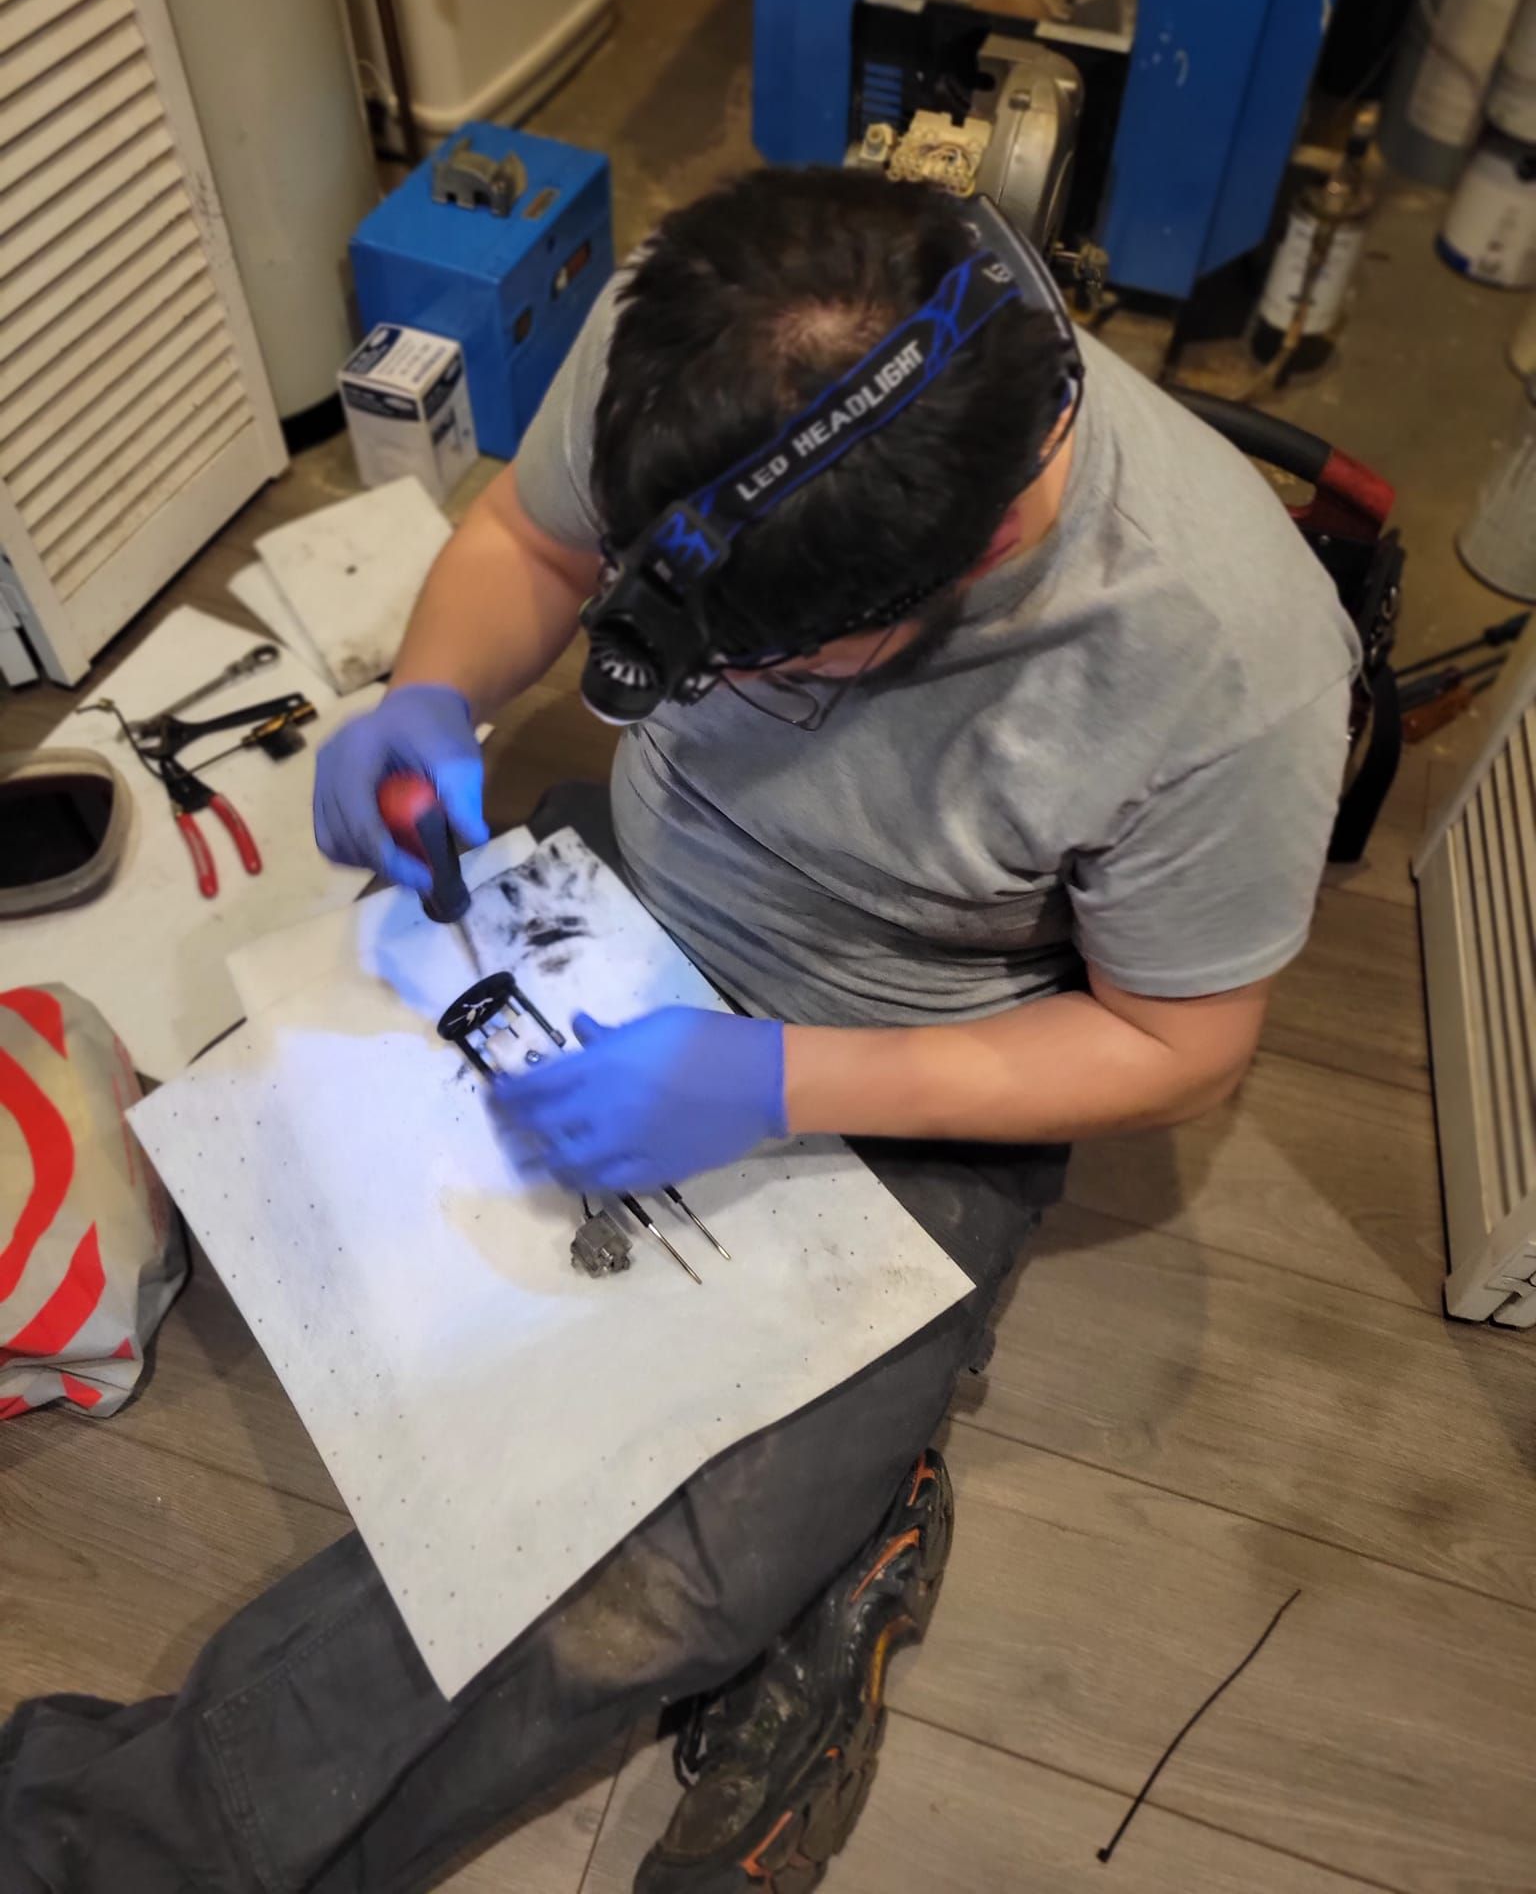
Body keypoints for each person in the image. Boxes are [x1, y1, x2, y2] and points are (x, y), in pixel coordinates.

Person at [1, 168, 1357, 1894]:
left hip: (910, 1063)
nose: (706, 686)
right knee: (277, 1173)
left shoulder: (1222, 654)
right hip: (612, 896)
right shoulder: (733, 333)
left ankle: (93, 1855)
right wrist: (428, 691)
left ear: (968, 560)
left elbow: (1181, 1042)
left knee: (648, 1583)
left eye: (768, 666)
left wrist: (771, 1083)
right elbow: (533, 540)